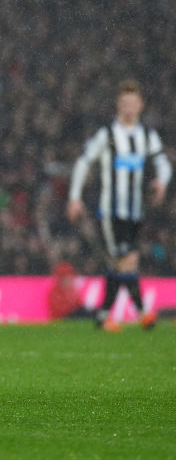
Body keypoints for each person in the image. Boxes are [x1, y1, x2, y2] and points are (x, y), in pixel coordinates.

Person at [67, 79, 170, 331]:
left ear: (141, 105)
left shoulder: (147, 135)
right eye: (125, 103)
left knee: (118, 263)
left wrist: (162, 181)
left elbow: (163, 163)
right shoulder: (108, 134)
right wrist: (75, 196)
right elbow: (83, 162)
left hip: (136, 211)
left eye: (133, 103)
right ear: (118, 105)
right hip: (111, 212)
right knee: (128, 259)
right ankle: (143, 312)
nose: (129, 107)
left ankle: (103, 315)